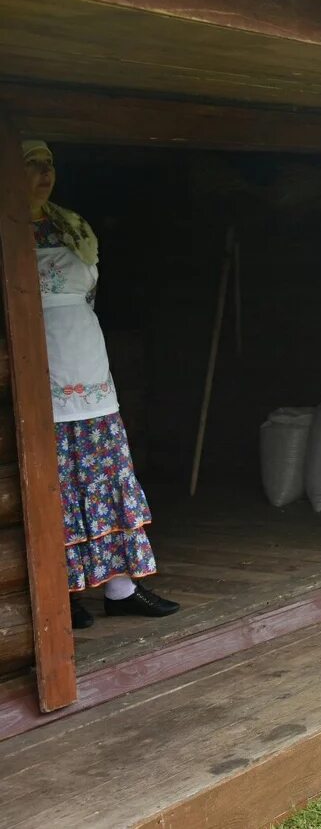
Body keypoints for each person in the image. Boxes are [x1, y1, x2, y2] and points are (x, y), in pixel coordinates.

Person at [22, 141, 179, 630]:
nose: (45, 173)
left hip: (88, 362)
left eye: (49, 165)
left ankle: (120, 587)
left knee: (107, 475)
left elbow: (87, 292)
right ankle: (63, 590)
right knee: (60, 484)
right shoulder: (7, 227)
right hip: (38, 361)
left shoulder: (71, 224)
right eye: (32, 166)